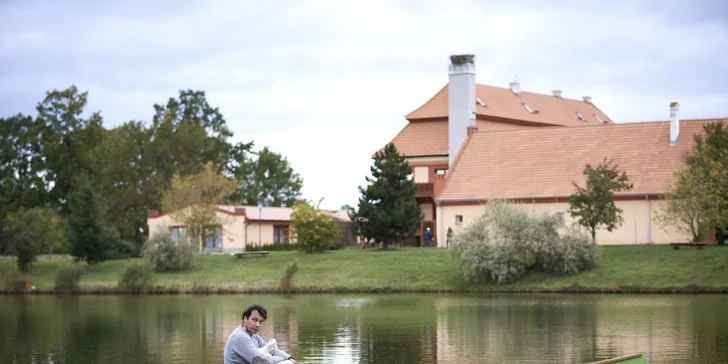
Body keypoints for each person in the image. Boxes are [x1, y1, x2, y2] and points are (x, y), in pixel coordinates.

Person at [224, 304, 297, 364]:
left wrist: (289, 357)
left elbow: (271, 350)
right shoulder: (240, 337)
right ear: (245, 319)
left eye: (260, 322)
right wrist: (284, 361)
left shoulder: (253, 336)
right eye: (254, 320)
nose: (257, 325)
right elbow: (260, 361)